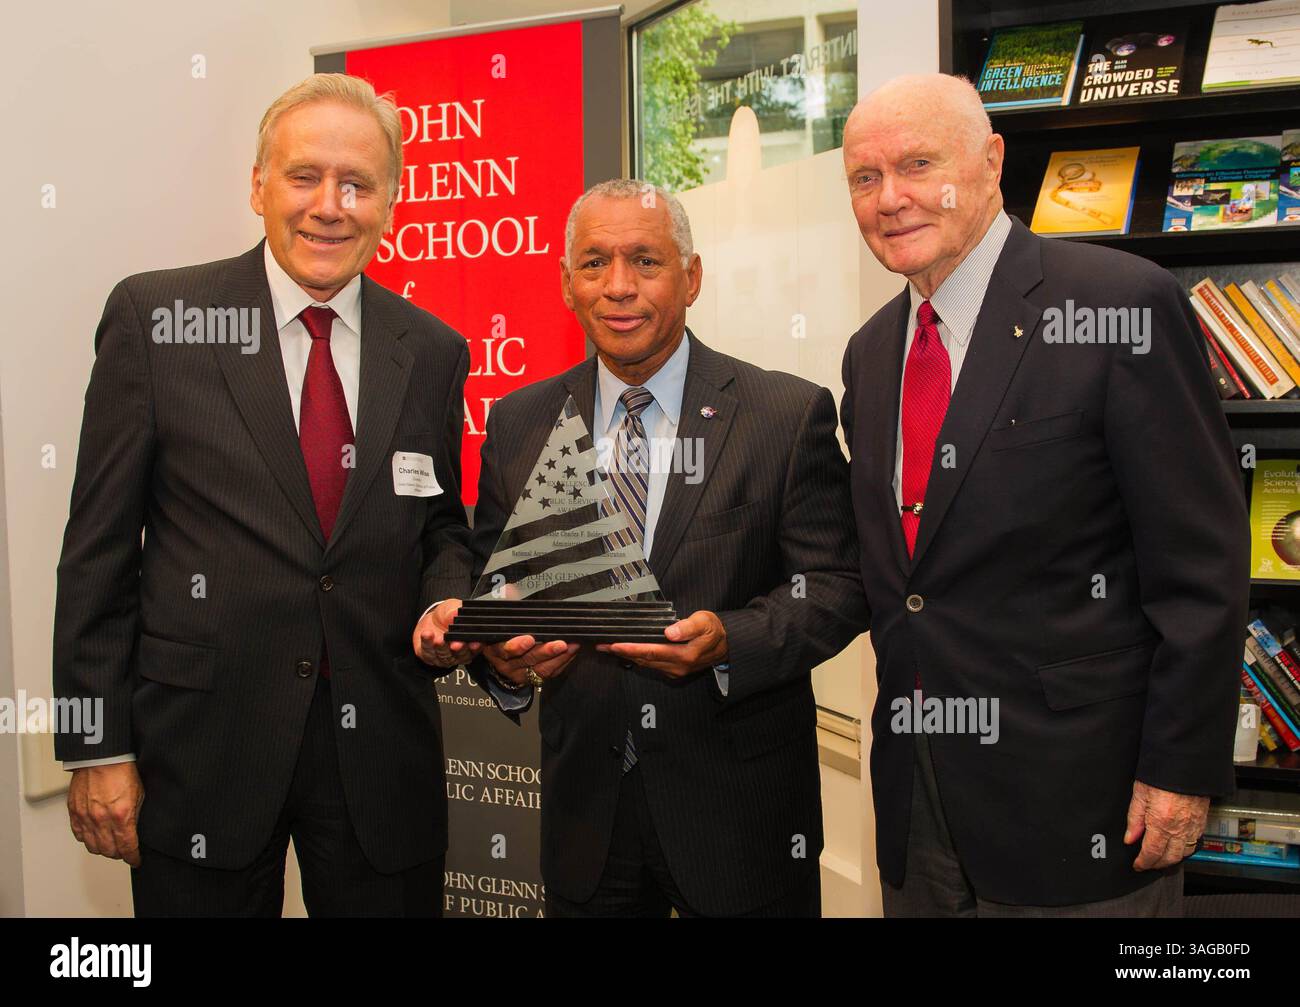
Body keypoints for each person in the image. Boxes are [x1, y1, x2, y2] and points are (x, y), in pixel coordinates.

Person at [53, 73, 475, 916]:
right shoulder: (156, 320)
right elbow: (95, 556)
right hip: (200, 751)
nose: (330, 205)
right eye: (303, 176)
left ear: (391, 200)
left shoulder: (431, 350)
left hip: (380, 754)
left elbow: (436, 525)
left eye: (357, 183)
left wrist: (449, 594)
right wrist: (96, 743)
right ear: (257, 185)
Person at [839, 73, 1249, 916]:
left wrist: (1178, 766)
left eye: (918, 164)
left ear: (991, 162)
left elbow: (1201, 565)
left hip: (1084, 807)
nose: (892, 198)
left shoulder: (1120, 304)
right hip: (918, 809)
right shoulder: (869, 352)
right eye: (866, 177)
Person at [447, 179, 867, 917]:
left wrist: (730, 639)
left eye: (645, 260)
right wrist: (503, 657)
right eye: (594, 263)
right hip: (586, 817)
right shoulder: (519, 422)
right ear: (565, 283)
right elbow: (498, 584)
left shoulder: (782, 414)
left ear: (691, 276)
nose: (618, 287)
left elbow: (837, 585)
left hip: (740, 819)